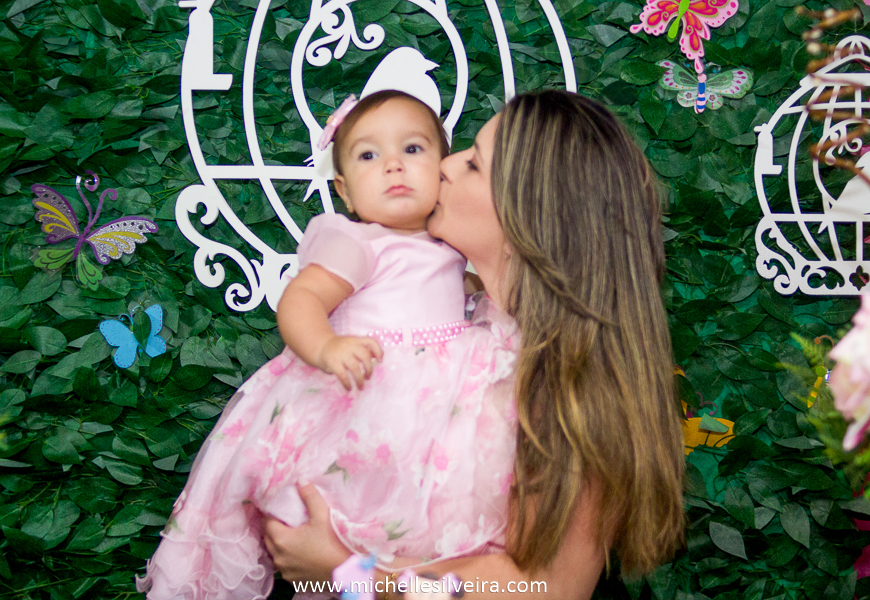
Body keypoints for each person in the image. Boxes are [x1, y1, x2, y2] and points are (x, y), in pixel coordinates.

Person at [262, 90, 687, 599]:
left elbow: (547, 590)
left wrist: (351, 573)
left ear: (528, 217)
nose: (447, 163)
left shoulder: (568, 383)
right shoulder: (454, 330)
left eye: (474, 164)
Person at [136, 90, 520, 600]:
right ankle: (340, 562)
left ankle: (366, 570)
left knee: (416, 515)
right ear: (344, 190)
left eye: (413, 150)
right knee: (334, 501)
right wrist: (326, 349)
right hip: (363, 394)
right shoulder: (356, 241)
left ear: (439, 168)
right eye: (368, 156)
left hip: (430, 416)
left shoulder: (451, 250)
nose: (392, 167)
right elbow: (303, 299)